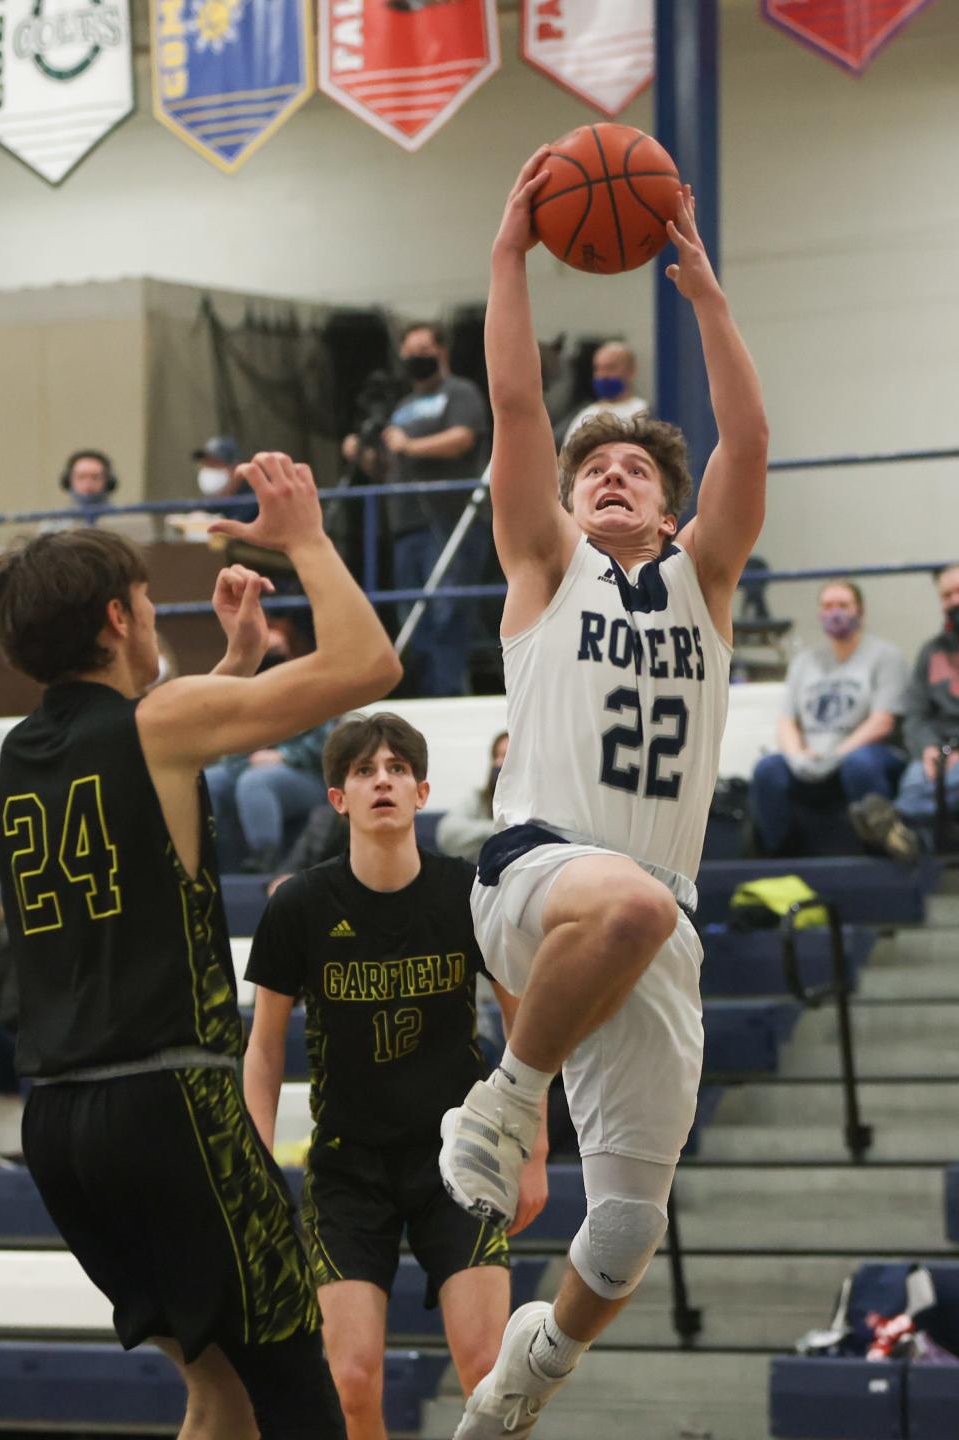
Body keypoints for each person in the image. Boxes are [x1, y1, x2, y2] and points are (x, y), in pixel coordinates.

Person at [437, 152, 768, 1438]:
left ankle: (524, 1382)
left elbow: (746, 439)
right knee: (625, 902)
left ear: (675, 506)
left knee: (625, 1234)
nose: (614, 476)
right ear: (567, 506)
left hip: (653, 922)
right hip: (537, 872)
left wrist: (708, 301)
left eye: (638, 470)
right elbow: (519, 411)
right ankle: (506, 1102)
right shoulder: (546, 568)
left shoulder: (708, 581)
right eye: (596, 472)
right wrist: (512, 254)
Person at [0, 452, 401, 1439]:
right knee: (297, 1392)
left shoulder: (16, 752)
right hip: (171, 1104)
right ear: (118, 620)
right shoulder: (161, 723)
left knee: (218, 1394)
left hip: (57, 1126)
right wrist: (303, 535)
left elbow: (148, 779)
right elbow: (369, 667)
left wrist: (235, 669)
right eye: (145, 598)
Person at [243, 712, 548, 1440]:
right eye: (363, 771)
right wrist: (253, 1164)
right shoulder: (299, 907)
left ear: (422, 791)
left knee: (488, 1372)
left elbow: (527, 1024)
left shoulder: (468, 893)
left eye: (397, 769)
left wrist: (533, 1151)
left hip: (460, 1160)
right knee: (351, 1381)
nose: (383, 778)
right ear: (338, 799)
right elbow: (260, 1050)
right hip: (349, 1168)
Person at [748, 580, 914, 861]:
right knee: (768, 769)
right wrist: (797, 756)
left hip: (866, 755)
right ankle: (778, 855)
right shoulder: (804, 662)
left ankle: (878, 849)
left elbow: (883, 721)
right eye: (827, 606)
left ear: (860, 611)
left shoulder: (886, 657)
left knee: (859, 764)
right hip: (812, 759)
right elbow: (787, 720)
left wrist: (836, 755)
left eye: (843, 606)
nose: (834, 613)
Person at [381, 322, 491, 698]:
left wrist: (410, 446)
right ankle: (423, 693)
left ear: (442, 352)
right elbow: (388, 464)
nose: (416, 359)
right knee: (411, 616)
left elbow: (462, 438)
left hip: (452, 519)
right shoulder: (401, 407)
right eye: (409, 353)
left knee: (448, 612)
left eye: (423, 350)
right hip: (406, 524)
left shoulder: (460, 393)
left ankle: (449, 692)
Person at [879, 565, 959, 843]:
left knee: (944, 785)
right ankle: (912, 848)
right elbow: (916, 713)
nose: (955, 601)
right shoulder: (931, 651)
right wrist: (927, 748)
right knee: (915, 781)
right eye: (947, 595)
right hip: (938, 749)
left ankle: (892, 821)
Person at [205, 719, 335, 872]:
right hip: (248, 765)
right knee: (208, 781)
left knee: (255, 782)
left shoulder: (319, 700)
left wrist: (284, 756)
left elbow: (327, 745)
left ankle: (264, 859)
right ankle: (205, 859)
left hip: (307, 772)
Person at [436, 732, 509, 864]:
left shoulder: (539, 805)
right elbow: (446, 833)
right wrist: (501, 829)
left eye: (505, 756)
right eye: (496, 756)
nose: (498, 762)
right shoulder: (480, 798)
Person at [560, 342, 648, 448]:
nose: (603, 375)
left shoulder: (646, 413)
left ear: (631, 370)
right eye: (598, 369)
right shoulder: (585, 416)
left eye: (610, 368)